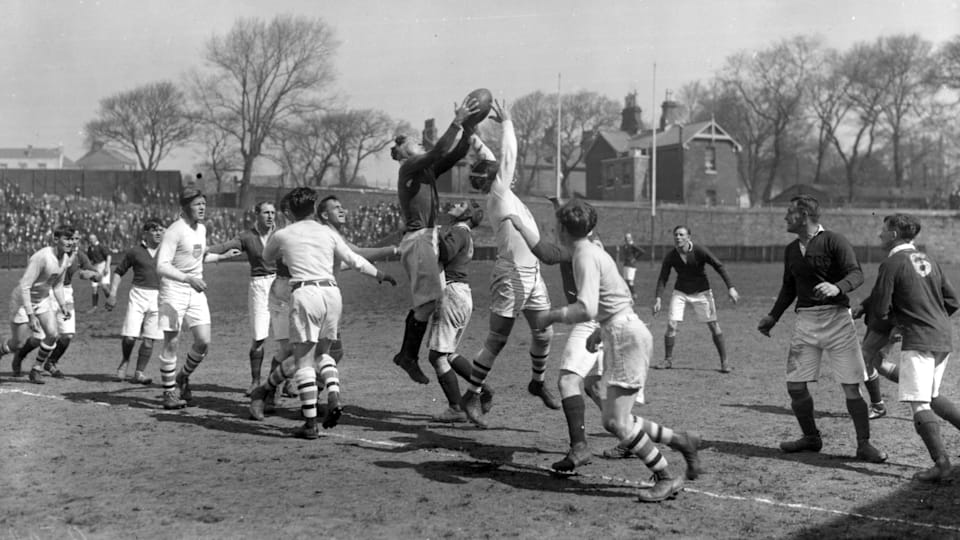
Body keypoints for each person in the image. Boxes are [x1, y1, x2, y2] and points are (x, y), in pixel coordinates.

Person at [532, 199, 698, 502]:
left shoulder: (583, 255)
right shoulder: (594, 250)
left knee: (617, 422)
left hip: (625, 337)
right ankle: (680, 440)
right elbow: (619, 296)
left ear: (562, 230)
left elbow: (587, 307)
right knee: (613, 418)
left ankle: (665, 476)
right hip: (623, 331)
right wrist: (600, 330)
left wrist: (551, 315)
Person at [250, 187, 397, 439]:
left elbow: (267, 256)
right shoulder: (327, 232)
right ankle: (334, 394)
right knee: (324, 354)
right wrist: (381, 274)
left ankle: (309, 424)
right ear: (312, 207)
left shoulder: (283, 234)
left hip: (305, 293)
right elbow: (353, 259)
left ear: (290, 210)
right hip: (331, 293)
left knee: (304, 361)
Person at [756, 195, 887, 463]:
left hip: (838, 321)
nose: (784, 217)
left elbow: (856, 274)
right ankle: (811, 438)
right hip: (805, 322)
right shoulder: (791, 250)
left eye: (789, 213)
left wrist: (837, 287)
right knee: (795, 386)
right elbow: (788, 288)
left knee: (851, 387)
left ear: (803, 215)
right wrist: (773, 317)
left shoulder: (834, 240)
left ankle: (864, 445)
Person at [458, 99, 560, 429]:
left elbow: (487, 157)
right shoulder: (499, 192)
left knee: (544, 333)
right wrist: (508, 123)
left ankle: (537, 381)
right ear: (494, 179)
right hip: (511, 275)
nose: (506, 173)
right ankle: (472, 394)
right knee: (497, 340)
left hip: (533, 274)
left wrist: (469, 130)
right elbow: (506, 156)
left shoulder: (499, 189)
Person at [390, 95, 481, 385]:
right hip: (418, 239)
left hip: (424, 238)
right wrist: (457, 121)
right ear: (404, 154)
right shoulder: (410, 167)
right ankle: (407, 355)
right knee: (429, 303)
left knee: (429, 302)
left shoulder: (424, 170)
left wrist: (468, 129)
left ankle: (409, 354)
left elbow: (452, 156)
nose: (418, 143)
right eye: (413, 143)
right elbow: (440, 148)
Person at [863, 214, 960, 482]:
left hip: (918, 338)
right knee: (932, 395)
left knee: (919, 404)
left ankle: (941, 464)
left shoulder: (892, 263)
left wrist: (895, 326)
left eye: (883, 230)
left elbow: (881, 311)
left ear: (894, 234)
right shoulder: (929, 259)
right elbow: (952, 301)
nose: (880, 235)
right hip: (942, 336)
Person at [155, 188, 240, 410]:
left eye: (204, 203)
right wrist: (187, 279)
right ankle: (168, 393)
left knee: (203, 341)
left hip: (195, 290)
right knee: (172, 342)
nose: (202, 207)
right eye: (197, 204)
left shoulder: (201, 229)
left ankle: (182, 377)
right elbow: (162, 265)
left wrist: (221, 256)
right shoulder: (174, 231)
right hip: (172, 290)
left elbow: (198, 257)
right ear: (184, 207)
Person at [425, 201, 494, 422]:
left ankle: (456, 407)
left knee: (436, 356)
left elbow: (445, 254)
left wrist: (433, 232)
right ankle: (481, 389)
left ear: (466, 214)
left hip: (452, 294)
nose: (454, 204)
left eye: (460, 204)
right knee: (449, 353)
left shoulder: (458, 231)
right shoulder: (464, 233)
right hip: (462, 294)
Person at [316, 195, 399, 364]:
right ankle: (280, 384)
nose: (342, 210)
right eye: (336, 208)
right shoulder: (330, 234)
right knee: (329, 352)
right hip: (322, 296)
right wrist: (394, 250)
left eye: (342, 206)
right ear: (325, 215)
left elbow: (344, 262)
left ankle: (287, 383)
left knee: (317, 351)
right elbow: (357, 255)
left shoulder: (329, 233)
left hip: (311, 294)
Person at [207, 201, 277, 396]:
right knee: (259, 337)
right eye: (266, 212)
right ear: (257, 215)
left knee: (286, 337)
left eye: (273, 212)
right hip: (259, 285)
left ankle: (279, 382)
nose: (270, 216)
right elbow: (224, 246)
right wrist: (202, 249)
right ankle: (255, 381)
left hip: (280, 285)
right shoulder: (247, 237)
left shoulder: (280, 235)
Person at [11, 230, 100, 378]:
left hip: (65, 294)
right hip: (47, 293)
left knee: (67, 335)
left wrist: (95, 275)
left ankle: (50, 362)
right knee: (40, 337)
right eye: (71, 238)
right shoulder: (50, 255)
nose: (74, 242)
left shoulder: (79, 256)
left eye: (76, 239)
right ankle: (20, 355)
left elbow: (88, 271)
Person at [652, 225, 739, 373]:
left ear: (688, 237)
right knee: (672, 325)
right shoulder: (671, 256)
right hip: (681, 292)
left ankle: (724, 362)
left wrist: (730, 287)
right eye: (676, 235)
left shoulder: (699, 251)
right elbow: (663, 277)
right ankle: (668, 360)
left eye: (681, 235)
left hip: (702, 292)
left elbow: (719, 266)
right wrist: (658, 298)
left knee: (713, 325)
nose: (678, 237)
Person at [5, 225, 76, 384]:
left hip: (42, 300)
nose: (70, 242)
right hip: (23, 301)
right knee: (18, 344)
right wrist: (31, 315)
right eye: (66, 238)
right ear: (56, 240)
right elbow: (25, 286)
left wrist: (63, 305)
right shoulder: (42, 257)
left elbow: (57, 285)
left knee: (52, 334)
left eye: (72, 239)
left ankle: (36, 369)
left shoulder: (65, 259)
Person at [106, 219, 165, 385]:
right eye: (154, 230)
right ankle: (125, 361)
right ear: (145, 233)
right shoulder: (135, 252)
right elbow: (118, 272)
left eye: (161, 230)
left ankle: (139, 372)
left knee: (149, 339)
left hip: (159, 297)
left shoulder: (167, 251)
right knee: (130, 337)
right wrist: (113, 293)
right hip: (138, 295)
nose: (159, 233)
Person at [85, 233, 112, 312]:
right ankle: (94, 307)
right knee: (94, 289)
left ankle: (111, 302)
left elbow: (109, 256)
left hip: (103, 266)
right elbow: (89, 259)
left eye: (92, 238)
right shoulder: (90, 248)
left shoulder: (101, 246)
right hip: (95, 268)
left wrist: (107, 267)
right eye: (90, 239)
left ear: (96, 238)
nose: (91, 240)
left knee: (104, 287)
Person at [619, 233, 644, 297]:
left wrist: (635, 258)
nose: (627, 239)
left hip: (631, 266)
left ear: (631, 238)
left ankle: (634, 294)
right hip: (626, 265)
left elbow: (642, 251)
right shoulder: (625, 246)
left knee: (630, 281)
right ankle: (628, 295)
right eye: (626, 238)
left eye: (628, 238)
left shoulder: (632, 245)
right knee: (626, 281)